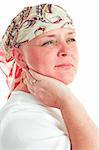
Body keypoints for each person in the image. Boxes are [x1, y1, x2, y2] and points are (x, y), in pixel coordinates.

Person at [0, 3, 99, 150]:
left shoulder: (50, 107)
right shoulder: (23, 123)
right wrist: (67, 100)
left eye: (70, 39)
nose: (66, 50)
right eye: (49, 42)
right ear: (20, 57)